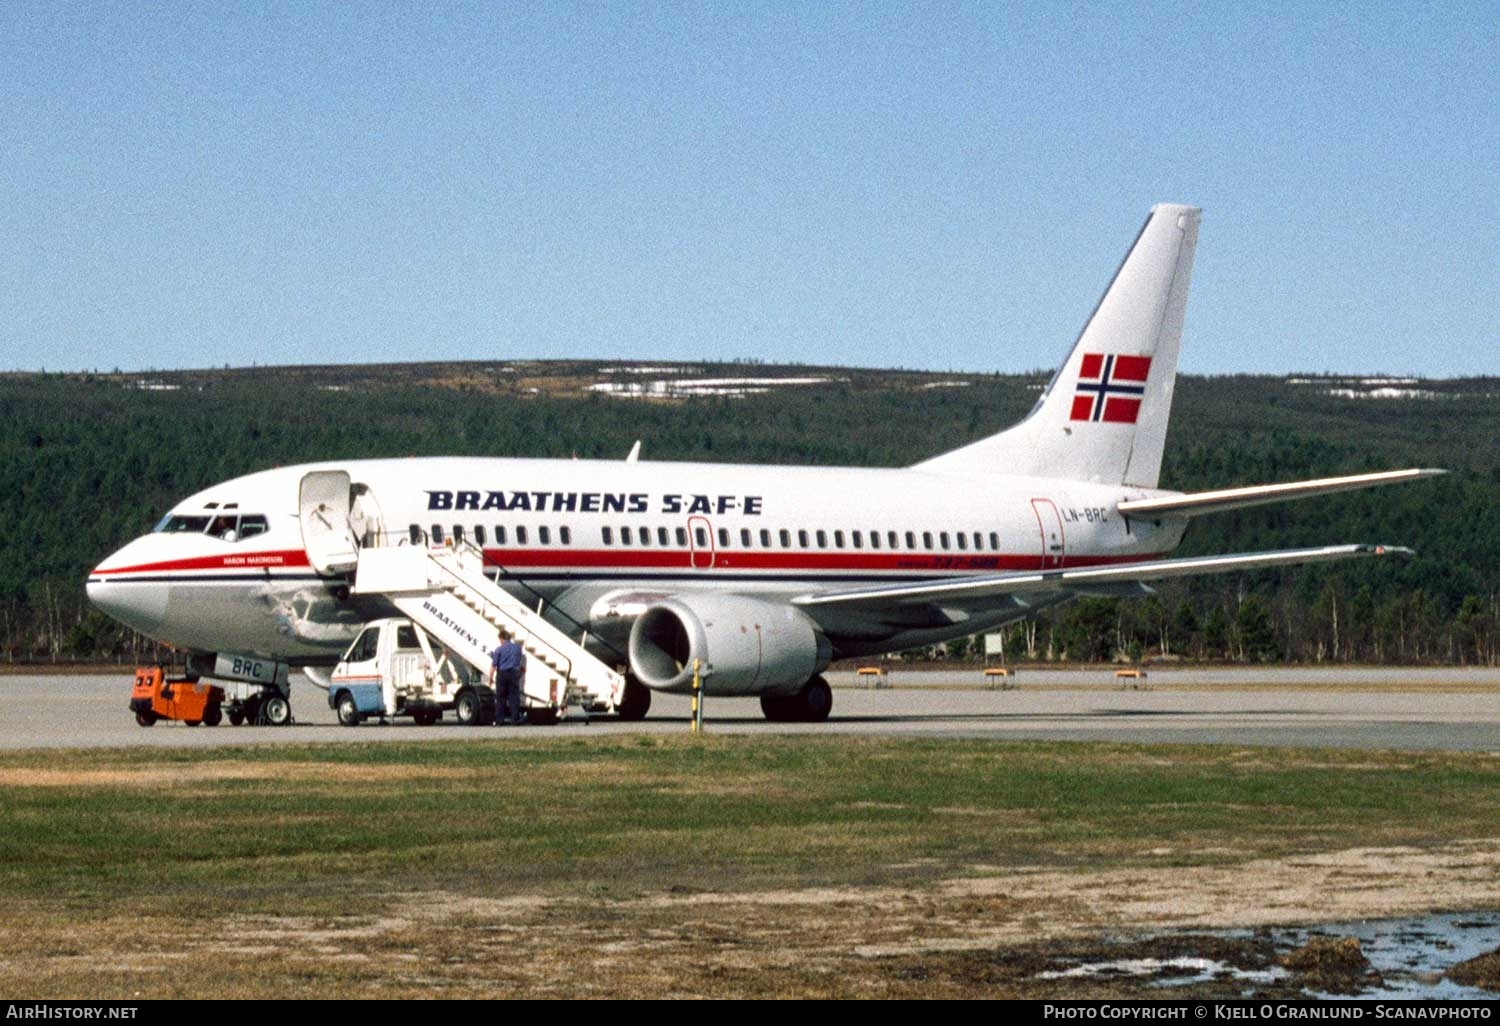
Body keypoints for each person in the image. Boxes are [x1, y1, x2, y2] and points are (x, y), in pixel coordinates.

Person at [487, 629, 526, 726]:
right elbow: (519, 661)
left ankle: (500, 720)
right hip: (514, 673)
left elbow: (493, 666)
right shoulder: (517, 648)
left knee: (501, 698)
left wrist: (490, 678)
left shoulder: (499, 649)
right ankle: (515, 720)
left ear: (502, 638)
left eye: (499, 639)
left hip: (502, 674)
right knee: (514, 697)